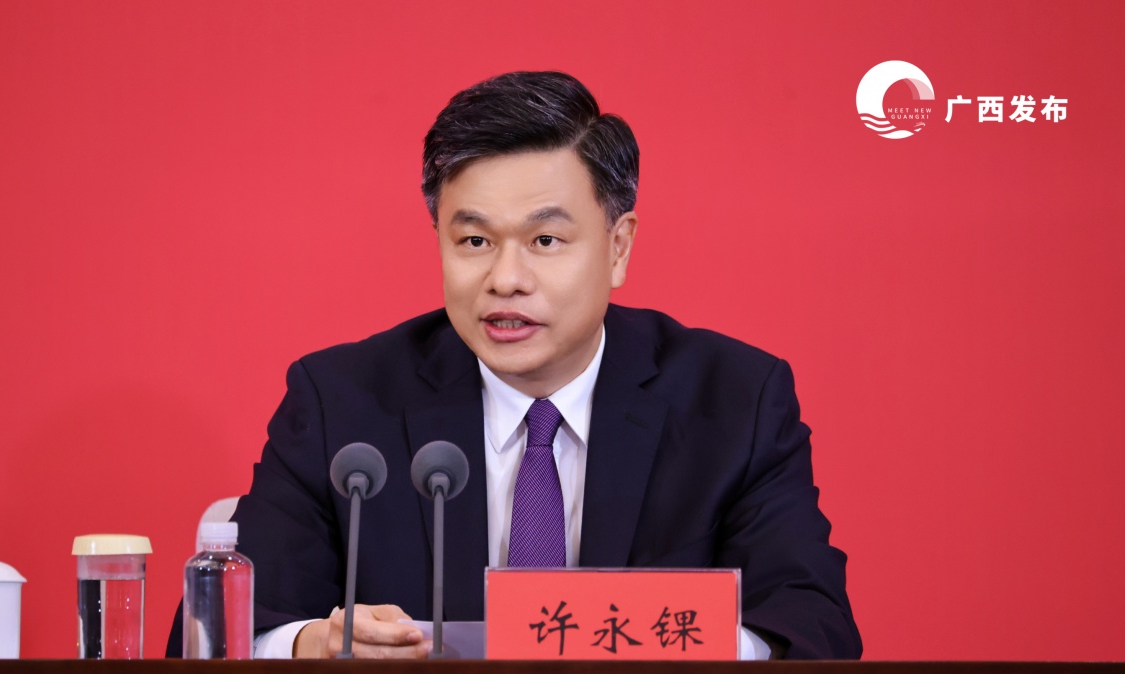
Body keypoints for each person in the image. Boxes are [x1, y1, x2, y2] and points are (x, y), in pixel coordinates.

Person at [165, 71, 861, 660]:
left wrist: (679, 643)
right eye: (473, 241)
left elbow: (813, 628)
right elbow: (210, 634)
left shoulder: (733, 402)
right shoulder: (341, 403)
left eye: (545, 240)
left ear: (618, 247)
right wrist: (312, 645)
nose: (505, 279)